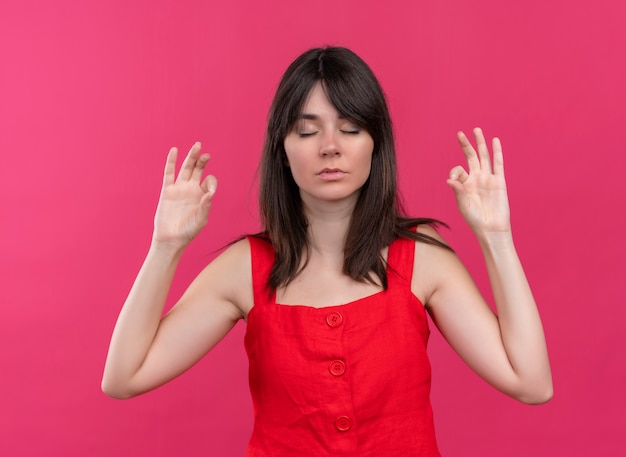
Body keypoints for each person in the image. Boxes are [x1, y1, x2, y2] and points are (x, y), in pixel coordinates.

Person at [102, 46, 552, 456]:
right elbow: (124, 378)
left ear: (376, 145)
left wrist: (497, 237)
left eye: (351, 128)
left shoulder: (425, 263)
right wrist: (165, 246)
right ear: (282, 149)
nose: (330, 147)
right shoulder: (244, 269)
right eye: (307, 130)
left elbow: (531, 383)